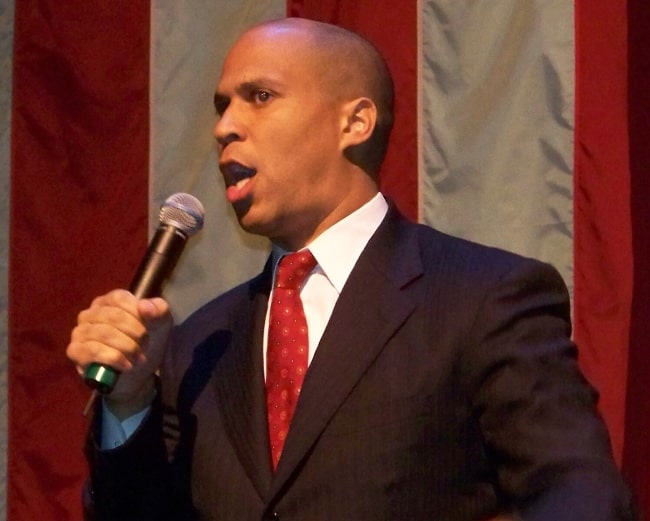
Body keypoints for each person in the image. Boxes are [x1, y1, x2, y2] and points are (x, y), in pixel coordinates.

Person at [67, 17, 636, 521]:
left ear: (355, 122)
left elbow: (581, 497)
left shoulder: (482, 298)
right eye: (223, 106)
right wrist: (128, 405)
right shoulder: (200, 344)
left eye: (259, 96)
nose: (224, 127)